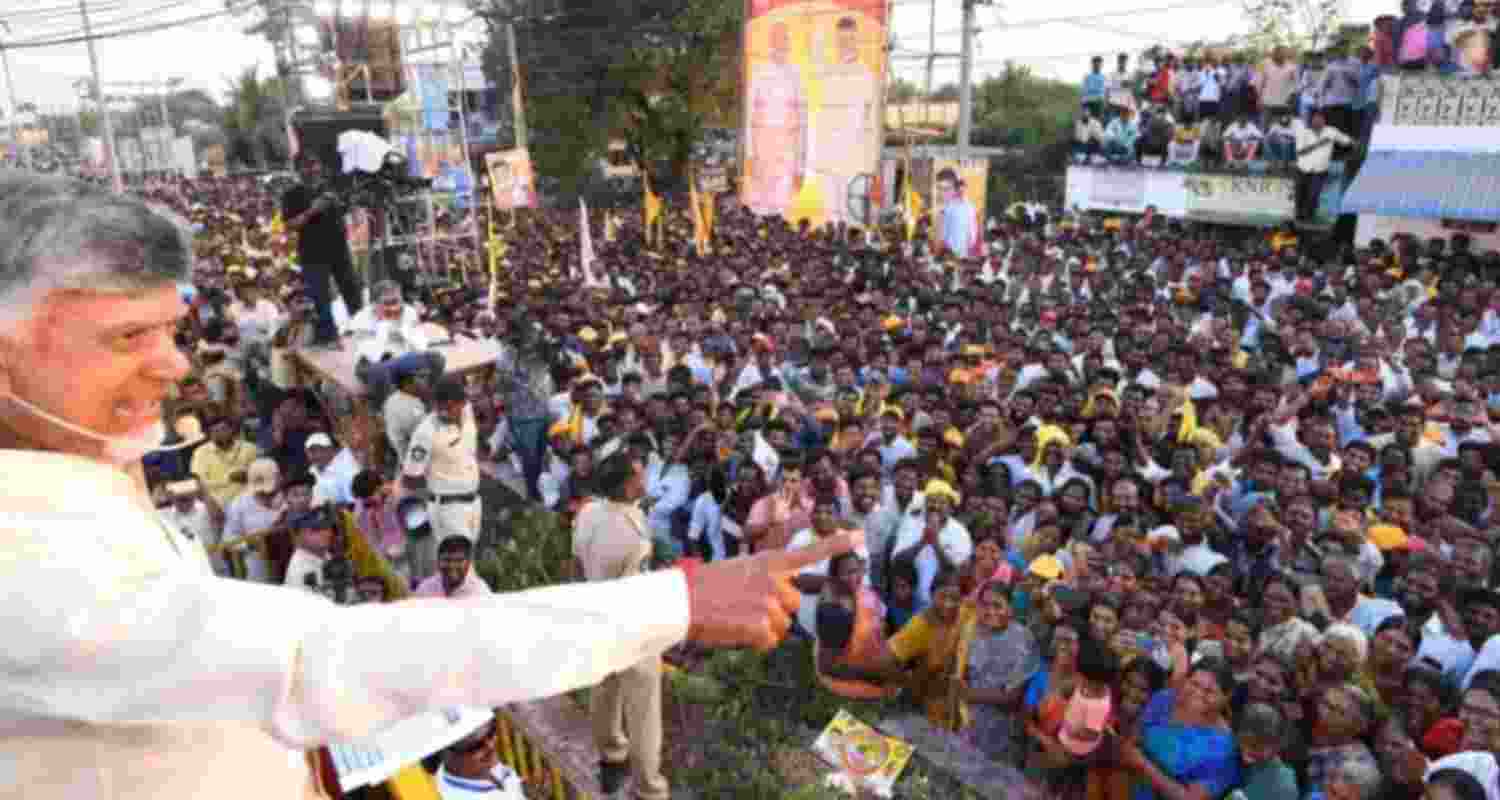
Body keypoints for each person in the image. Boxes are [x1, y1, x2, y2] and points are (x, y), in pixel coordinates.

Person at [0, 170, 859, 800]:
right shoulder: (21, 550)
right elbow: (313, 661)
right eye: (125, 338)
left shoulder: (83, 474)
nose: (174, 366)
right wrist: (680, 599)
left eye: (170, 330)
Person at [402, 376, 483, 574]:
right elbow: (410, 478)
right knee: (460, 568)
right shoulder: (425, 432)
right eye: (440, 402)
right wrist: (438, 482)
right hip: (447, 508)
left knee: (470, 562)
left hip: (474, 503)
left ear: (462, 402)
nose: (444, 407)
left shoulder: (467, 413)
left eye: (451, 402)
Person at [280, 152, 362, 348]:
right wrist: (312, 210)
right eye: (307, 166)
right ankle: (329, 336)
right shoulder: (292, 194)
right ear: (299, 170)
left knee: (352, 289)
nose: (312, 170)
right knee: (320, 296)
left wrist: (343, 204)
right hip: (312, 253)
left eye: (315, 165)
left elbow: (350, 211)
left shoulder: (331, 187)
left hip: (338, 249)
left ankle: (363, 328)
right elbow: (289, 225)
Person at [809, 16, 877, 227]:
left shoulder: (866, 74)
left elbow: (871, 122)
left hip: (854, 161)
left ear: (856, 40)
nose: (845, 44)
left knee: (852, 220)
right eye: (841, 39)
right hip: (828, 158)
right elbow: (815, 57)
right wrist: (818, 29)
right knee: (830, 219)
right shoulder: (828, 71)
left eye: (850, 39)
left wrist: (870, 162)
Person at [344, 280, 447, 404]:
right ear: (374, 304)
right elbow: (374, 356)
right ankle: (385, 409)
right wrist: (383, 325)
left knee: (436, 358)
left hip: (403, 359)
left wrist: (403, 332)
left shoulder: (408, 312)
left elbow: (421, 346)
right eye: (388, 302)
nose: (394, 306)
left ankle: (430, 401)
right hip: (373, 364)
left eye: (397, 301)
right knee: (380, 372)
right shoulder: (362, 319)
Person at [743, 20, 806, 216]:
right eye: (776, 37)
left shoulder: (796, 74)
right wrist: (750, 154)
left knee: (783, 206)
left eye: (784, 38)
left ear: (788, 42)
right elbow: (749, 116)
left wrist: (800, 166)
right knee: (761, 205)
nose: (780, 42)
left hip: (787, 149)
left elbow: (803, 123)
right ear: (771, 41)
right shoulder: (759, 72)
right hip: (762, 148)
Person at [1293, 110, 1353, 223]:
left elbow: (1346, 141)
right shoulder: (1304, 132)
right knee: (1300, 194)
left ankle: (1309, 216)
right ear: (1311, 120)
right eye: (1316, 118)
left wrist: (1352, 144)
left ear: (1324, 120)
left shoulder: (1331, 131)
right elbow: (1300, 152)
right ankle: (1298, 216)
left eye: (1321, 118)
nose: (1318, 121)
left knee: (1314, 194)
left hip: (1320, 170)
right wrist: (1319, 144)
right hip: (1303, 168)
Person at [415, 535, 494, 599]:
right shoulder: (425, 589)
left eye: (458, 560)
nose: (452, 565)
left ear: (469, 563)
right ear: (438, 561)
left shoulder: (480, 593)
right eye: (446, 560)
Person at [934, 167, 979, 259]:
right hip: (950, 249)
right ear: (956, 189)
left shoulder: (970, 207)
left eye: (963, 188)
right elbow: (944, 229)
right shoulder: (948, 206)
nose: (961, 190)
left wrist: (972, 243)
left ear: (966, 188)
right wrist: (942, 244)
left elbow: (973, 228)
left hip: (965, 249)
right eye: (959, 188)